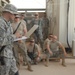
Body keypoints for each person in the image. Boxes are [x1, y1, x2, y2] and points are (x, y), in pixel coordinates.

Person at [0, 4, 20, 75]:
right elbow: (1, 41)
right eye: (14, 14)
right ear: (9, 13)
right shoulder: (1, 23)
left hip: (9, 54)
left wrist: (17, 37)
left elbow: (8, 38)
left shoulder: (8, 23)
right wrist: (14, 36)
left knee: (15, 72)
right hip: (3, 56)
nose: (15, 16)